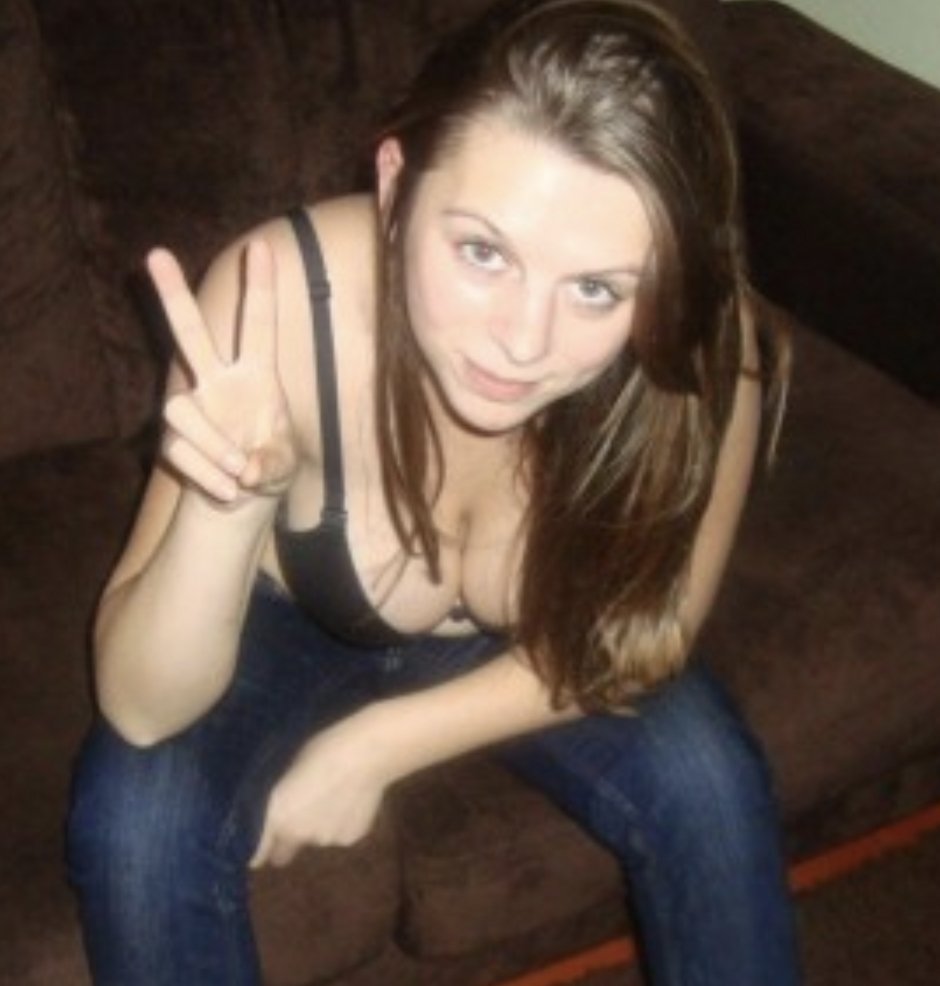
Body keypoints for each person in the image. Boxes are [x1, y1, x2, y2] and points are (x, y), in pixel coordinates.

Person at [67, 0, 802, 983]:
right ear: (394, 186)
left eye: (597, 288)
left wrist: (375, 746)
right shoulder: (275, 300)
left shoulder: (698, 348)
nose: (523, 341)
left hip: (537, 640)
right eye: (482, 251)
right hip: (283, 621)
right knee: (135, 821)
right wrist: (227, 506)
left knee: (706, 774)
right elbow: (141, 707)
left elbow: (646, 631)